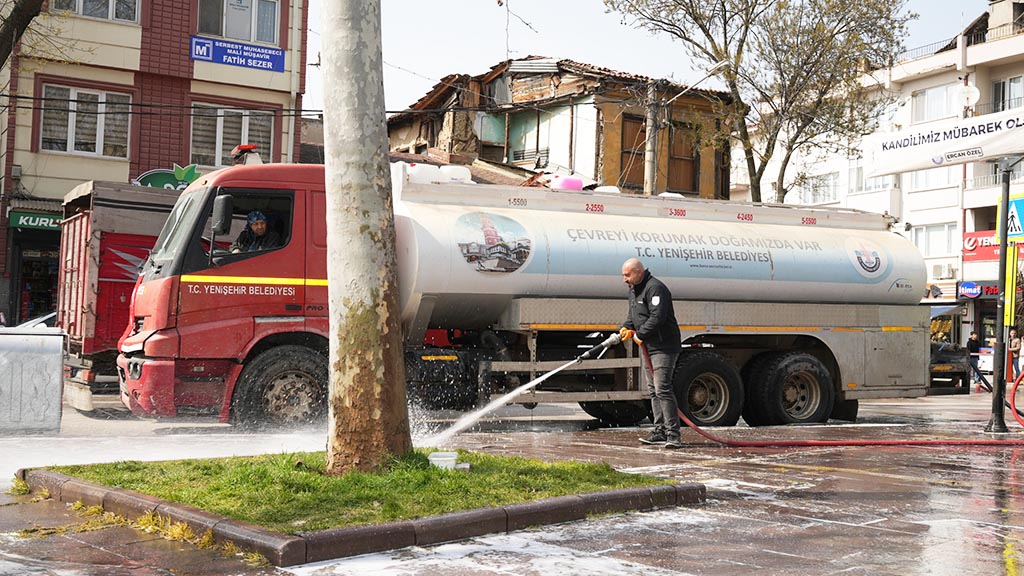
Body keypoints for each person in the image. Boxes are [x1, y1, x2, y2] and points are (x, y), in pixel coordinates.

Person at [618, 258, 683, 449]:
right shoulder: (634, 289)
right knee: (653, 390)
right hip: (648, 347)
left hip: (663, 347)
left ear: (639, 272)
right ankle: (660, 430)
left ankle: (674, 435)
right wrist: (625, 328)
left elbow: (658, 317)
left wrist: (641, 334)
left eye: (627, 275)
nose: (624, 279)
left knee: (662, 388)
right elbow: (634, 316)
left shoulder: (656, 288)